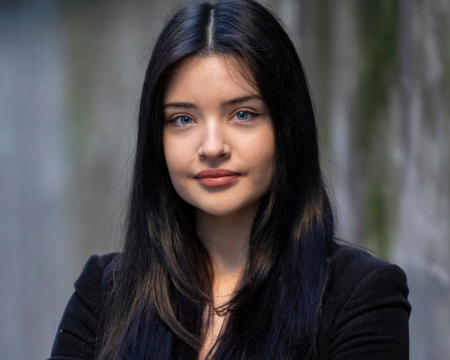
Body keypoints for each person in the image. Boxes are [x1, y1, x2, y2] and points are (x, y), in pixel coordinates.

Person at [49, 0, 411, 359]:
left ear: (286, 128)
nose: (211, 147)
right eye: (182, 119)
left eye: (242, 114)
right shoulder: (104, 292)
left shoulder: (360, 296)